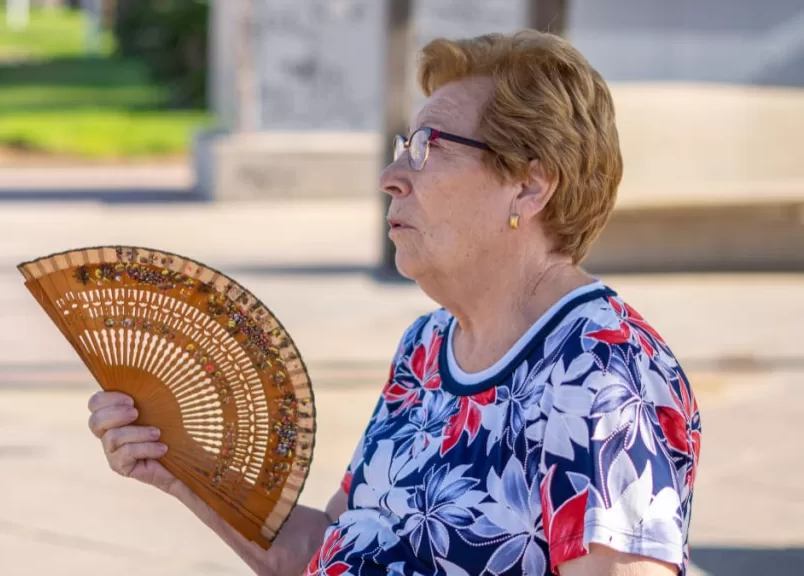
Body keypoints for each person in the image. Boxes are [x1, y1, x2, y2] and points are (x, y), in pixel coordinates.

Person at [86, 29, 702, 576]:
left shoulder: (601, 375)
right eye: (406, 144)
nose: (391, 174)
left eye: (428, 148)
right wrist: (187, 469)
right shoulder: (429, 347)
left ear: (530, 184)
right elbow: (332, 548)